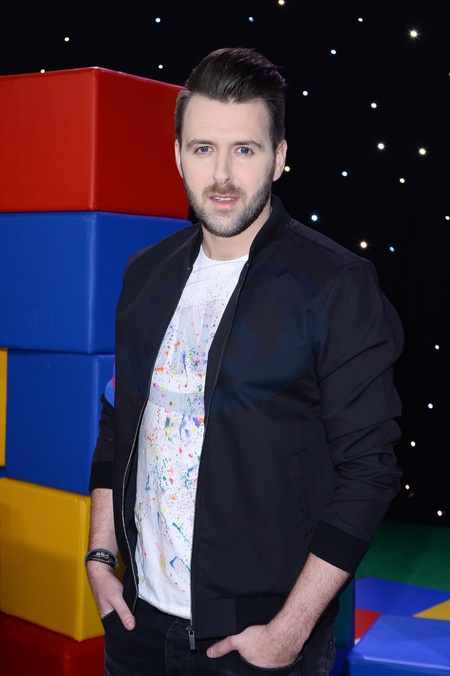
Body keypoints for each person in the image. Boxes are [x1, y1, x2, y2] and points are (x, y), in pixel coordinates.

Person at [86, 47, 403, 675]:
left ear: (280, 157)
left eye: (246, 150)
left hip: (256, 643)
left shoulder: (336, 283)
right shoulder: (145, 273)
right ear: (178, 155)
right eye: (204, 148)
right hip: (137, 628)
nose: (223, 174)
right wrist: (100, 557)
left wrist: (290, 629)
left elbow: (370, 472)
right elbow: (119, 419)